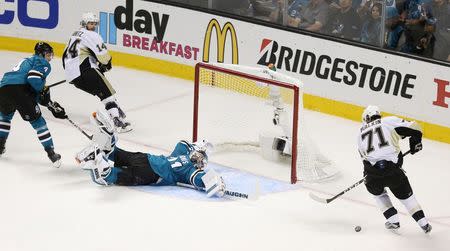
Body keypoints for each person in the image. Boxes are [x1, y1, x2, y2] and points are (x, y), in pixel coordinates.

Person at [75, 109, 226, 198]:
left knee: (118, 154)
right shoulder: (190, 170)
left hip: (146, 158)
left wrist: (201, 146)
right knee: (113, 176)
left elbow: (184, 143)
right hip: (150, 173)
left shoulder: (182, 152)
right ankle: (99, 164)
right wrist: (217, 185)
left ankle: (107, 141)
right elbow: (200, 180)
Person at [357, 105, 432, 233]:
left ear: (366, 118)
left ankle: (393, 221)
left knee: (378, 194)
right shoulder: (389, 121)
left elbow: (365, 160)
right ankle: (424, 224)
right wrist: (415, 142)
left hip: (373, 176)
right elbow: (415, 128)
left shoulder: (360, 133)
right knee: (407, 198)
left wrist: (369, 177)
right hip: (393, 173)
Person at [0, 42, 67, 167]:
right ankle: (51, 154)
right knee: (38, 123)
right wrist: (42, 90)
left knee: (5, 117)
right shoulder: (42, 62)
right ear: (41, 54)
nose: (49, 57)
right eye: (47, 54)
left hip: (3, 88)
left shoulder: (27, 60)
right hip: (19, 89)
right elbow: (33, 79)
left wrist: (46, 100)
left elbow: (32, 88)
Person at [62, 12, 132, 133]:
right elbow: (103, 55)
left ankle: (114, 110)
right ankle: (116, 121)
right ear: (84, 23)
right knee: (107, 93)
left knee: (102, 92)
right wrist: (106, 63)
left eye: (94, 23)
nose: (93, 25)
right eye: (90, 23)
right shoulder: (92, 35)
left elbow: (66, 55)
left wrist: (72, 73)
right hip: (85, 68)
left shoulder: (74, 34)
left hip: (72, 75)